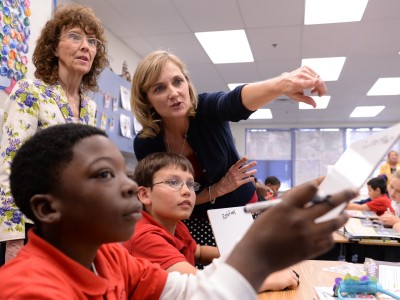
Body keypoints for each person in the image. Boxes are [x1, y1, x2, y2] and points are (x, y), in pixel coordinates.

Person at [0, 123, 355, 299]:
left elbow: (190, 292)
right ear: (47, 208)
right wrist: (260, 256)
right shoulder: (30, 289)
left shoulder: (109, 256)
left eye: (121, 173)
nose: (127, 187)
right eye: (104, 175)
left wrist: (262, 252)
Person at [131, 50, 327, 247]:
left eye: (177, 81)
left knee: (248, 267)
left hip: (238, 209)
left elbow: (233, 103)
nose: (173, 93)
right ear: (146, 99)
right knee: (201, 271)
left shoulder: (206, 109)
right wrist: (217, 190)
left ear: (187, 83)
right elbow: (159, 200)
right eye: (159, 88)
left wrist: (281, 84)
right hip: (190, 220)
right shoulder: (147, 143)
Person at [0, 4, 108, 264]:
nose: (86, 46)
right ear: (54, 47)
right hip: (31, 226)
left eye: (92, 41)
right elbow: (10, 166)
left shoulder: (90, 108)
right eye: (74, 36)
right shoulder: (31, 92)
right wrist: (13, 238)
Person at [122, 152, 299, 292]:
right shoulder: (145, 236)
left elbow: (198, 251)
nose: (186, 191)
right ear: (144, 195)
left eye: (191, 184)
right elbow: (197, 286)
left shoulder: (175, 225)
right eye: (173, 182)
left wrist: (249, 255)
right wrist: (262, 278)